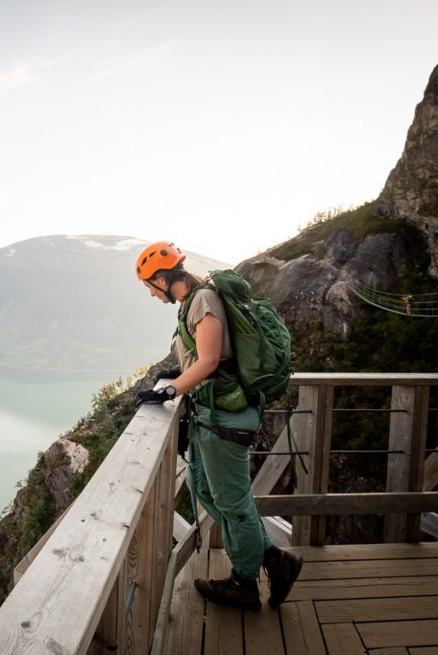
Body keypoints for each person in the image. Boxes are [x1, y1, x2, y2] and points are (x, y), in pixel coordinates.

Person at [132, 241, 302, 611]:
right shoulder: (190, 305)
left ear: (162, 278)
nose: (149, 293)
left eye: (148, 285)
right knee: (208, 492)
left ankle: (244, 584)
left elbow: (210, 362)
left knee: (234, 504)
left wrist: (169, 392)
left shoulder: (203, 300)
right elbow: (208, 358)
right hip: (211, 416)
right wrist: (177, 372)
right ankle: (275, 561)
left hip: (225, 417)